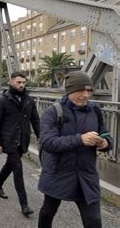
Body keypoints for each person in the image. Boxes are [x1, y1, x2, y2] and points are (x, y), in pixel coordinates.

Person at [37, 71, 112, 228]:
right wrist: (80, 139)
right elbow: (48, 143)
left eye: (89, 90)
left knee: (94, 221)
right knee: (47, 212)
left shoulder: (95, 111)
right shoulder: (53, 112)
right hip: (58, 173)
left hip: (86, 175)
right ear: (69, 91)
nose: (85, 95)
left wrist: (105, 143)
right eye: (80, 90)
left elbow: (106, 135)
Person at [0, 72, 40, 216]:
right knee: (18, 169)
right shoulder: (3, 100)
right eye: (18, 82)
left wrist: (41, 137)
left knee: (10, 165)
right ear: (11, 82)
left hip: (22, 140)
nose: (22, 85)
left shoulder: (29, 100)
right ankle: (24, 204)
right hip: (9, 140)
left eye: (24, 82)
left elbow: (35, 120)